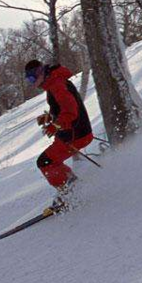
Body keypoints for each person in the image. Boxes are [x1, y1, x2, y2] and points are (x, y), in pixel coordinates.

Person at [24, 60, 93, 209]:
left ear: (40, 73)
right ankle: (70, 186)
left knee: (45, 162)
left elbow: (70, 112)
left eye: (31, 79)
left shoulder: (57, 85)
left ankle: (70, 192)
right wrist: (50, 117)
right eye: (28, 80)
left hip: (76, 135)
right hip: (73, 133)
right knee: (48, 161)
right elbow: (63, 108)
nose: (32, 83)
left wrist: (56, 125)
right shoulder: (54, 83)